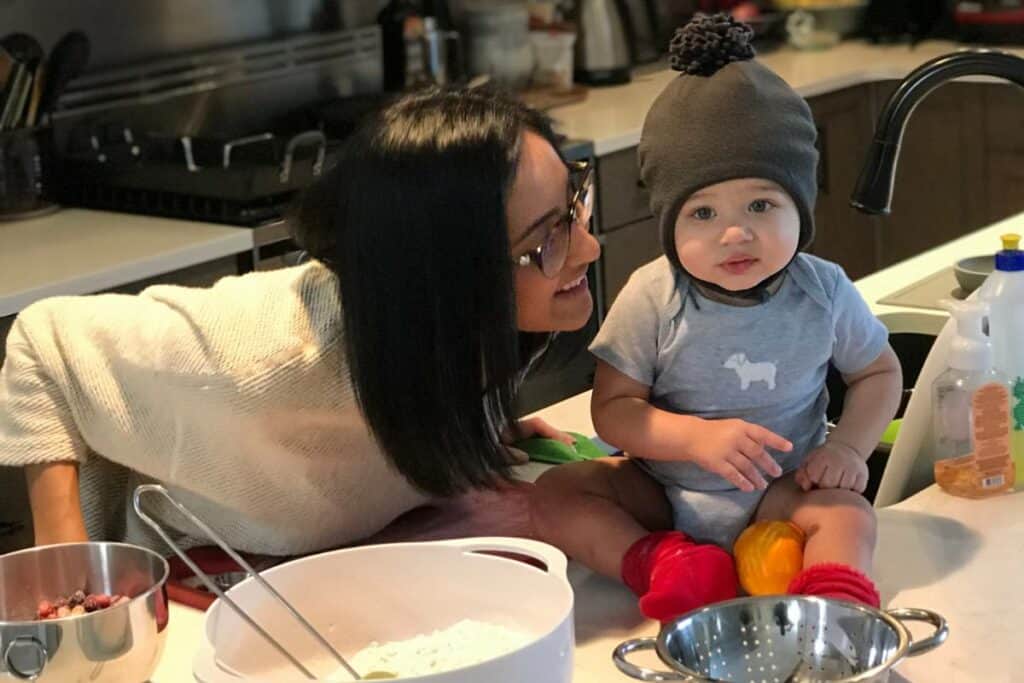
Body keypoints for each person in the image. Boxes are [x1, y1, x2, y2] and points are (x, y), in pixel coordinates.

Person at [0, 86, 600, 556]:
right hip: (195, 591)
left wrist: (473, 425)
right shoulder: (257, 359)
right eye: (548, 238)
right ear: (444, 276)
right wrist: (67, 565)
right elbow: (43, 338)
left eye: (573, 205)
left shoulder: (456, 330)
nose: (588, 249)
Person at [531, 15, 902, 622]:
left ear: (801, 207)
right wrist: (693, 439)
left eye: (761, 204)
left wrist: (852, 450)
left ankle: (836, 610)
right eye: (701, 213)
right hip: (663, 493)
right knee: (557, 496)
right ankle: (665, 564)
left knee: (848, 513)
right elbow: (613, 409)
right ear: (668, 222)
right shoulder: (652, 294)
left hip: (783, 493)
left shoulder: (824, 290)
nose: (735, 232)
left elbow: (879, 374)